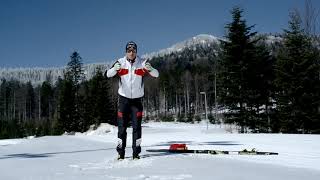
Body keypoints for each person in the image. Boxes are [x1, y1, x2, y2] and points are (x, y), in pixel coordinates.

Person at [105, 41, 159, 160]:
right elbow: (107, 75)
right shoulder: (120, 62)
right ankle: (121, 153)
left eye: (133, 51)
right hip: (123, 100)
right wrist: (114, 69)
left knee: (137, 128)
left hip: (136, 101)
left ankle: (136, 153)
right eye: (129, 51)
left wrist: (150, 69)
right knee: (121, 128)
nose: (131, 53)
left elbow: (156, 74)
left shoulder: (142, 63)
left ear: (136, 52)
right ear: (126, 52)